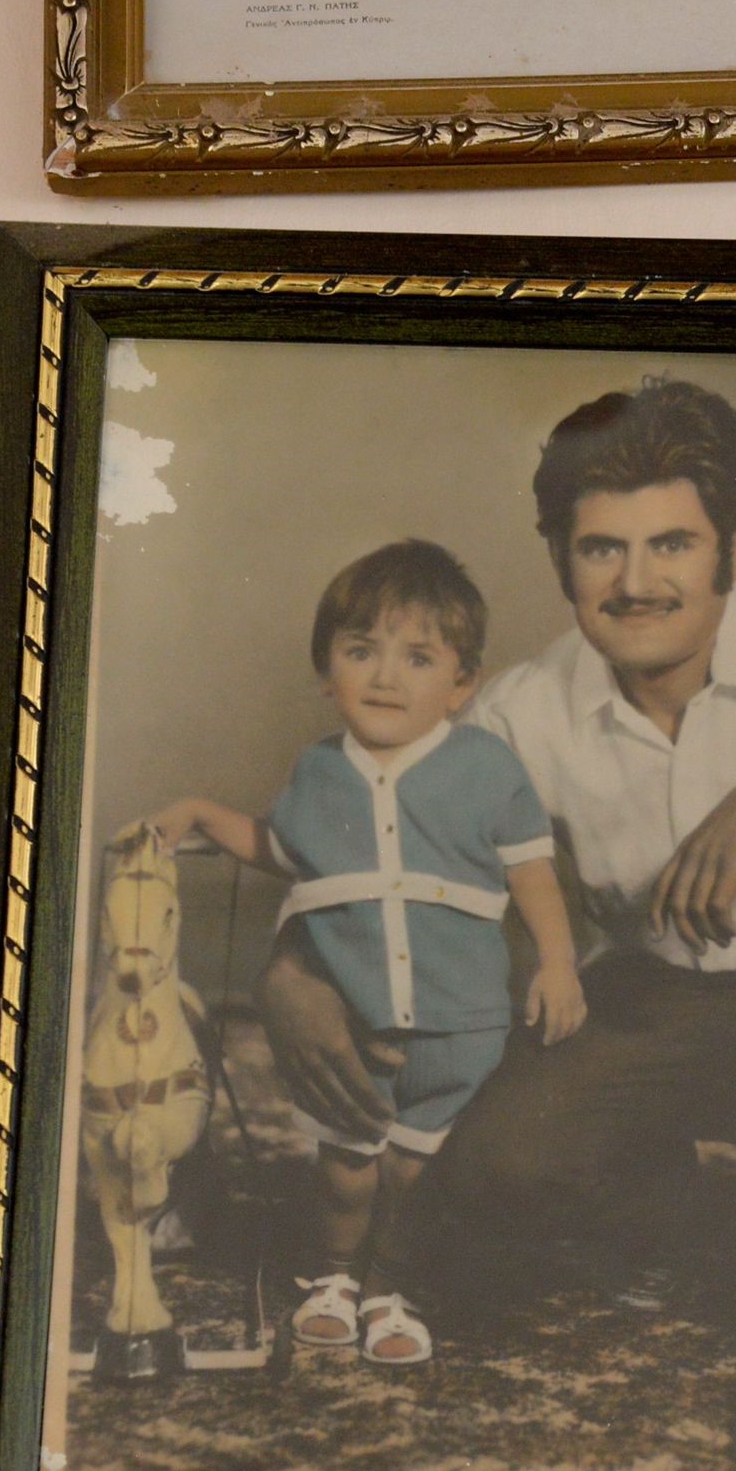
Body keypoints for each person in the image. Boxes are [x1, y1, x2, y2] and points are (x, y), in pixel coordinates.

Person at [258, 383, 736, 1463]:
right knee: (484, 1171)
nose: (636, 584)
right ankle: (694, 1216)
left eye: (673, 543)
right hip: (655, 1008)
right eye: (601, 550)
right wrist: (294, 970)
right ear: (559, 558)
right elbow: (378, 844)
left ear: (733, 548)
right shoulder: (523, 708)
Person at [153, 539, 585, 1365]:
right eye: (361, 652)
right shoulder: (319, 771)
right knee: (347, 1166)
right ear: (328, 672)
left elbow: (532, 872)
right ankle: (334, 1278)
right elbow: (281, 849)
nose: (386, 677)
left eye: (418, 658)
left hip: (460, 1022)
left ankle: (393, 1289)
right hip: (350, 1019)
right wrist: (205, 813)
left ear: (461, 683)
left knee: (418, 1171)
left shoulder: (487, 767)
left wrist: (558, 964)